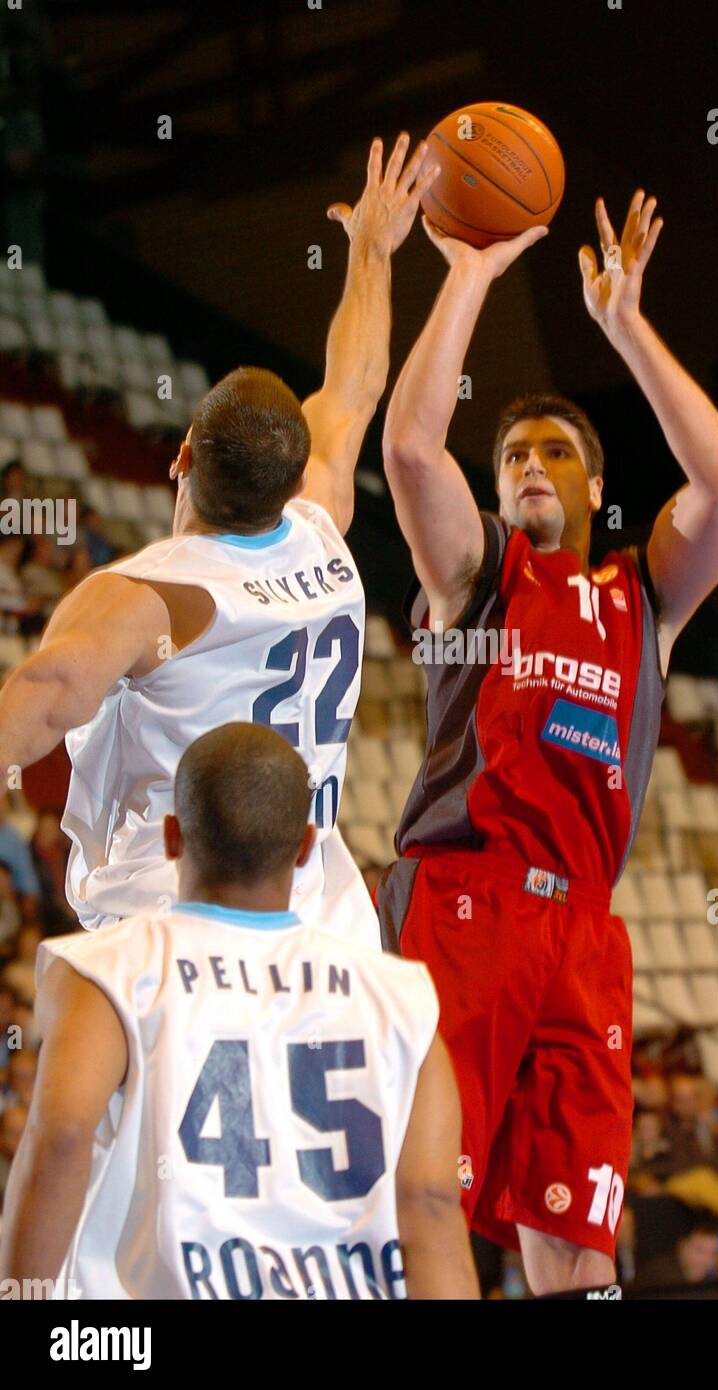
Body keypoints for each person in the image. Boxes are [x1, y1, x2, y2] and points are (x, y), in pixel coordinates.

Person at [378, 189, 718, 1294]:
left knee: (575, 1240)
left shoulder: (644, 596)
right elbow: (406, 447)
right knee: (425, 1193)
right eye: (511, 459)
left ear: (595, 482)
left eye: (554, 451)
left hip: (585, 933)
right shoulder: (478, 573)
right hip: (465, 900)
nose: (530, 466)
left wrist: (623, 323)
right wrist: (470, 276)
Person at [0, 134, 439, 948]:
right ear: (293, 478)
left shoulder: (142, 597)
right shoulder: (321, 528)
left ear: (179, 459)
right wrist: (374, 251)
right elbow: (353, 385)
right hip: (317, 927)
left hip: (174, 918)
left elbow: (37, 706)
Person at [0, 723, 478, 1300]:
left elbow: (63, 1139)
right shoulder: (400, 997)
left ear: (172, 837)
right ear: (306, 847)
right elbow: (429, 1202)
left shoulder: (108, 971)